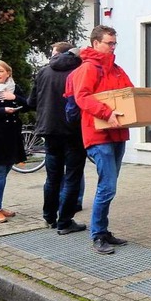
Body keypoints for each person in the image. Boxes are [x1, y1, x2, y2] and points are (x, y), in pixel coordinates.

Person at [69, 25, 133, 254]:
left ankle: (103, 231)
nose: (113, 47)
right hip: (98, 135)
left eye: (115, 43)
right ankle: (97, 235)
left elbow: (129, 94)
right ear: (96, 43)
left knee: (110, 185)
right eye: (109, 43)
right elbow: (82, 98)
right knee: (107, 186)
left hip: (118, 133)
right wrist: (107, 113)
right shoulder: (89, 68)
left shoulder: (116, 69)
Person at [28, 42, 88, 234]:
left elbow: (32, 102)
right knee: (72, 177)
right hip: (73, 131)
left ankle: (49, 217)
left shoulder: (43, 71)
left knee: (52, 177)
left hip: (49, 130)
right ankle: (65, 221)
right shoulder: (80, 70)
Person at [0, 60, 28, 223]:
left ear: (8, 73)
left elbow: (28, 105)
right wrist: (3, 110)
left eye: (0, 71)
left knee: (4, 171)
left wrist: (15, 97)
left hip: (12, 135)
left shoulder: (14, 87)